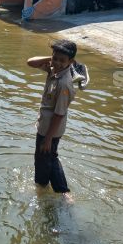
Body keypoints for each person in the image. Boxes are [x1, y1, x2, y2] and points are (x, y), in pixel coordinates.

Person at [26, 39, 78, 203]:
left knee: (46, 157)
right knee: (47, 157)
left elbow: (59, 114)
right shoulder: (53, 70)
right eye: (55, 58)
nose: (57, 63)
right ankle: (47, 187)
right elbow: (30, 62)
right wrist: (51, 60)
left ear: (71, 62)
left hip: (50, 129)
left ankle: (60, 191)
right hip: (45, 126)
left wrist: (48, 138)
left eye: (62, 61)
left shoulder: (64, 84)